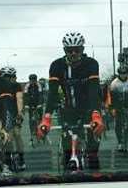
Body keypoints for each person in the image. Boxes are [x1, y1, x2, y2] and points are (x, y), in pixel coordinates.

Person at [37, 32, 105, 171]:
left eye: (77, 50)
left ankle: (94, 164)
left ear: (82, 49)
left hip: (88, 107)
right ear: (64, 50)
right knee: (68, 149)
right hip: (67, 109)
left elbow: (94, 90)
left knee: (93, 149)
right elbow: (53, 93)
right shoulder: (56, 65)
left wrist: (96, 114)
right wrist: (47, 118)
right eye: (69, 50)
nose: (73, 53)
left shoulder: (91, 64)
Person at [0, 66, 26, 171]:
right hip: (2, 115)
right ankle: (7, 160)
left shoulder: (16, 86)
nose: (14, 78)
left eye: (14, 76)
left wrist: (19, 112)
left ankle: (21, 158)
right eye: (11, 76)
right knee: (5, 137)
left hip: (15, 113)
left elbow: (19, 99)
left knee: (17, 134)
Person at [109, 65, 128, 150]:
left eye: (125, 73)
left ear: (127, 73)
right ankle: (120, 143)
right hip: (118, 104)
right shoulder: (114, 83)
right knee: (118, 124)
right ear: (119, 74)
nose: (123, 75)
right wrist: (112, 109)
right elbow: (111, 97)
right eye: (121, 73)